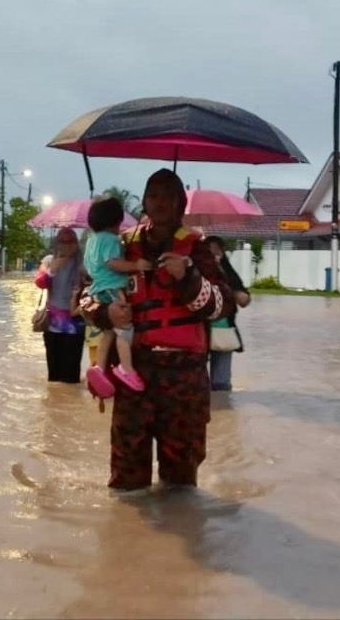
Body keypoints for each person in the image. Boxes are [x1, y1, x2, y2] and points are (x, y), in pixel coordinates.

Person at [96, 168, 234, 491]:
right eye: (153, 195)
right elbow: (88, 297)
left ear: (180, 203)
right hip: (134, 375)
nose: (159, 203)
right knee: (126, 482)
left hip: (184, 378)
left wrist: (188, 277)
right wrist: (106, 313)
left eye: (167, 196)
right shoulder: (120, 246)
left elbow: (222, 305)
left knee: (181, 484)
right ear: (143, 201)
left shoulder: (198, 250)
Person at [79, 196, 152, 396]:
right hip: (112, 289)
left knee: (108, 334)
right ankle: (126, 368)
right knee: (125, 329)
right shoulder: (110, 239)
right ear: (115, 221)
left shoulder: (92, 240)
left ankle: (99, 369)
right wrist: (135, 266)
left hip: (97, 289)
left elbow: (88, 268)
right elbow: (112, 263)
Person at [34, 227, 86, 383]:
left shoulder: (83, 261)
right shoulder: (49, 260)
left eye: (71, 241)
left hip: (76, 320)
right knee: (54, 374)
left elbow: (93, 281)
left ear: (77, 244)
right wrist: (54, 267)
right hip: (53, 321)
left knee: (71, 375)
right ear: (57, 243)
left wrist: (85, 275)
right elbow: (40, 282)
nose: (67, 245)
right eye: (63, 241)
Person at [202, 236, 252, 392]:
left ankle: (224, 408)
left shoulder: (228, 273)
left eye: (218, 250)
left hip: (224, 330)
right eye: (209, 250)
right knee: (197, 381)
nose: (214, 254)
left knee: (222, 385)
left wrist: (236, 294)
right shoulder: (195, 273)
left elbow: (244, 298)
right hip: (199, 332)